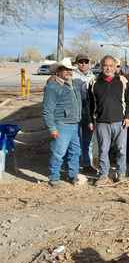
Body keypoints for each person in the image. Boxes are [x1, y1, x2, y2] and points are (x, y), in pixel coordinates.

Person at [88, 55, 129, 185]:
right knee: (103, 149)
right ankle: (103, 175)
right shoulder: (94, 82)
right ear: (102, 67)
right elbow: (90, 104)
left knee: (121, 149)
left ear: (115, 67)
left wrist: (128, 117)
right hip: (102, 122)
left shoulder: (123, 81)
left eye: (111, 65)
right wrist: (90, 120)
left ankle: (121, 173)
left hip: (120, 121)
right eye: (105, 65)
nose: (108, 68)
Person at [42, 58, 82, 187]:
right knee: (59, 153)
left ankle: (73, 175)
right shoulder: (52, 86)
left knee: (75, 152)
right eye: (65, 69)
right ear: (58, 71)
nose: (68, 71)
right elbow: (47, 110)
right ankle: (54, 178)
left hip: (74, 123)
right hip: (62, 124)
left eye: (70, 69)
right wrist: (52, 128)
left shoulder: (71, 84)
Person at [72, 54, 96, 173]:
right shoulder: (71, 75)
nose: (83, 64)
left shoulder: (93, 77)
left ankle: (87, 164)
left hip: (88, 113)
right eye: (81, 62)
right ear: (77, 63)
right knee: (75, 140)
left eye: (86, 62)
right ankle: (73, 165)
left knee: (88, 140)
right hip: (75, 111)